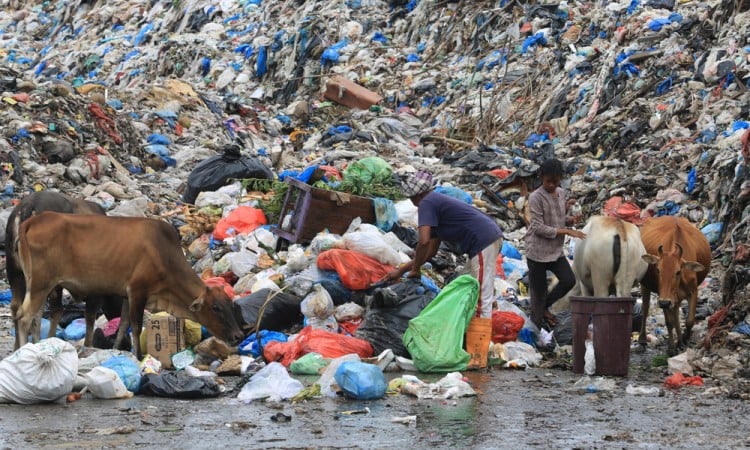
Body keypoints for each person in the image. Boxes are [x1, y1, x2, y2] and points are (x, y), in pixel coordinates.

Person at [380, 170, 503, 318]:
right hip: (485, 240)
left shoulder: (426, 203)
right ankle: (468, 326)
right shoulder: (435, 203)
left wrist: (416, 269)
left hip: (484, 240)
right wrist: (402, 270)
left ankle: (481, 338)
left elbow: (423, 242)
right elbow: (430, 252)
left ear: (416, 196)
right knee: (465, 287)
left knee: (482, 295)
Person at [524, 158, 585, 330]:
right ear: (541, 177)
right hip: (537, 251)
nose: (551, 185)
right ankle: (536, 335)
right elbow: (537, 227)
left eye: (555, 181)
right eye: (548, 181)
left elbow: (558, 219)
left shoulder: (561, 193)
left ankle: (544, 309)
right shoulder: (536, 197)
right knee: (539, 293)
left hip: (555, 251)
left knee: (568, 280)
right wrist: (565, 231)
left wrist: (570, 220)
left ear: (560, 180)